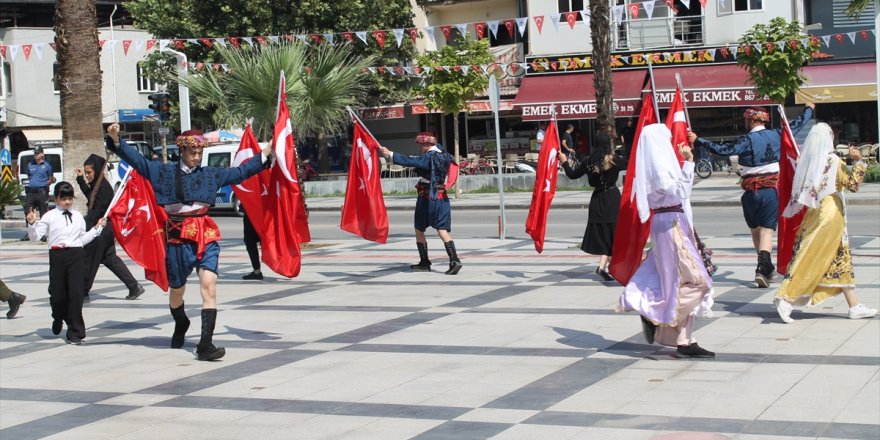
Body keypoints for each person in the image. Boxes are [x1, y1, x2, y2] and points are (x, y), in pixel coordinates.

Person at [105, 124, 272, 361]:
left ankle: (205, 344)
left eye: (199, 153)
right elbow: (138, 161)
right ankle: (181, 322)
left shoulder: (210, 175)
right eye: (192, 152)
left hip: (205, 234)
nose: (196, 157)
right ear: (182, 150)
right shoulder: (162, 173)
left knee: (209, 285)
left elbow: (241, 172)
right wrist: (117, 140)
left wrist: (265, 154)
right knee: (177, 290)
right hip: (177, 238)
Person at [688, 103, 815, 288]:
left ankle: (766, 266)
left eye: (746, 119)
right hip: (770, 191)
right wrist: (809, 109)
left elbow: (724, 150)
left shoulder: (745, 140)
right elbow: (796, 125)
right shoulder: (778, 134)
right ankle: (762, 268)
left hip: (749, 192)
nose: (745, 122)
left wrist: (699, 140)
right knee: (766, 232)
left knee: (755, 230)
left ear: (752, 119)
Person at [618, 124, 715, 359]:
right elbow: (681, 191)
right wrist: (689, 161)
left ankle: (684, 340)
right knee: (698, 280)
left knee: (677, 282)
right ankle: (656, 313)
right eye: (668, 138)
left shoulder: (653, 168)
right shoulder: (660, 169)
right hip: (671, 225)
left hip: (669, 223)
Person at [774, 123, 876, 323]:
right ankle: (785, 297)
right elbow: (853, 185)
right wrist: (859, 161)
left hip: (816, 210)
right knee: (811, 254)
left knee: (840, 256)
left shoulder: (811, 161)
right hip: (831, 213)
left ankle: (854, 305)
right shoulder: (833, 159)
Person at [26, 181, 105, 344]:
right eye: (64, 199)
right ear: (56, 199)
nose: (67, 202)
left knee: (76, 294)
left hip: (76, 255)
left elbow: (82, 239)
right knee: (58, 295)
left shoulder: (77, 217)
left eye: (70, 198)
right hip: (57, 255)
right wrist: (32, 223)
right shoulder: (48, 216)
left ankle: (75, 330)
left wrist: (97, 229)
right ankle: (57, 316)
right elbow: (35, 238)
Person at [378, 132, 462, 275]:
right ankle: (454, 260)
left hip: (428, 197)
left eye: (421, 145)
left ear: (426, 144)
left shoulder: (430, 156)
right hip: (442, 196)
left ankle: (425, 262)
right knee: (442, 229)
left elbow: (413, 161)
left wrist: (390, 154)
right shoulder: (444, 153)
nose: (420, 148)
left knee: (419, 228)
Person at [75, 154, 145, 302]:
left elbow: (97, 212)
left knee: (90, 261)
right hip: (104, 229)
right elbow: (91, 197)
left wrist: (85, 226)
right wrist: (80, 180)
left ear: (98, 171)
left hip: (101, 230)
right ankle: (134, 287)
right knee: (111, 259)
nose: (87, 175)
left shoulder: (104, 189)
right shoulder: (97, 185)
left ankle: (83, 292)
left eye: (89, 172)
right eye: (85, 172)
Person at [558, 129, 625, 281]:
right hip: (613, 199)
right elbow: (633, 164)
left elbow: (572, 175)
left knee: (605, 236)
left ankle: (602, 267)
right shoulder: (614, 159)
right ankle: (616, 267)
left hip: (596, 200)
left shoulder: (588, 160)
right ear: (609, 144)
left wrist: (564, 161)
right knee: (615, 235)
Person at [21, 146, 55, 241]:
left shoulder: (47, 166)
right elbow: (29, 176)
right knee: (28, 210)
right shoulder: (30, 164)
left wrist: (44, 185)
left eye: (38, 153)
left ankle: (43, 234)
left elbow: (51, 178)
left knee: (43, 212)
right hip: (31, 192)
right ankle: (29, 233)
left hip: (42, 192)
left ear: (42, 154)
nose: (36, 155)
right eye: (35, 153)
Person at [241, 207, 263, 280]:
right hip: (263, 210)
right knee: (265, 239)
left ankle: (257, 271)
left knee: (250, 241)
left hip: (251, 209)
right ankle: (284, 264)